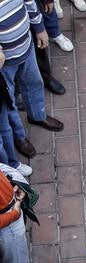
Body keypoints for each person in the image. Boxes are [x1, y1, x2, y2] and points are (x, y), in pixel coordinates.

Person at [0, 0, 63, 163]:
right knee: (9, 101)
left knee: (34, 83)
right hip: (4, 64)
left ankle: (37, 115)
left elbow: (30, 5)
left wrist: (40, 29)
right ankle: (19, 136)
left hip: (27, 50)